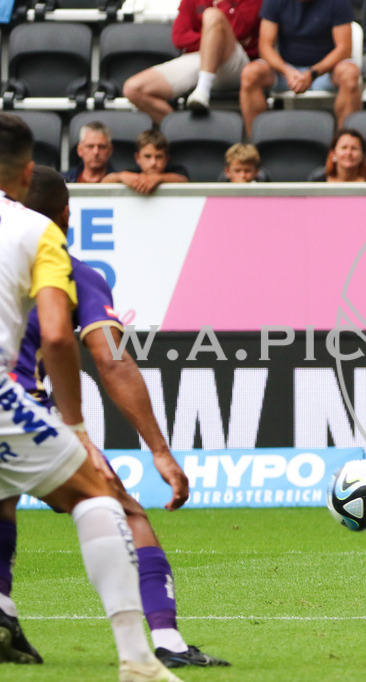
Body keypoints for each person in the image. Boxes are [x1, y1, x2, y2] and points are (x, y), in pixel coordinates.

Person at [0, 166, 230, 670]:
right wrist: (160, 452)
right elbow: (111, 359)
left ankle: (3, 607)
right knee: (120, 506)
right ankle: (161, 643)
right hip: (15, 404)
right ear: (66, 216)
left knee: (3, 497)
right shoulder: (68, 267)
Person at [123, 0, 261, 123]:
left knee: (213, 15)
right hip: (200, 57)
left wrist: (214, 35)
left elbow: (239, 32)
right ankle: (183, 132)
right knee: (134, 89)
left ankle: (203, 88)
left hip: (237, 62)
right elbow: (179, 37)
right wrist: (211, 39)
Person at [238, 0, 361, 138]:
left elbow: (344, 49)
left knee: (350, 74)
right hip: (287, 71)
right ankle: (258, 146)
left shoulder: (338, 2)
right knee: (250, 73)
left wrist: (312, 73)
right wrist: (287, 71)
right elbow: (265, 46)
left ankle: (347, 145)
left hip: (326, 72)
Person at [102, 130, 189, 195]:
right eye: (147, 156)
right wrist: (120, 176)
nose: (153, 162)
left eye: (158, 157)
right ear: (137, 158)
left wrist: (158, 178)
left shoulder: (177, 171)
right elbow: (104, 182)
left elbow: (183, 180)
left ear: (167, 158)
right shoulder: (132, 173)